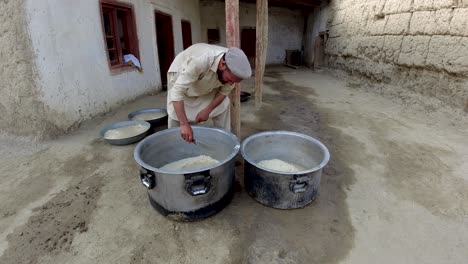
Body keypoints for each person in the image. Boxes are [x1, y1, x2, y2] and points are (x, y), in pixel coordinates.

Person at [166, 43, 251, 143]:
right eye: (229, 80)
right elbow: (177, 92)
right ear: (223, 64)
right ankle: (175, 143)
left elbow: (224, 92)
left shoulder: (232, 70)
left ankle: (223, 141)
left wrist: (208, 110)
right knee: (177, 115)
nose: (231, 84)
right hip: (182, 73)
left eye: (234, 82)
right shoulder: (202, 60)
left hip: (206, 78)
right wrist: (184, 124)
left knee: (224, 104)